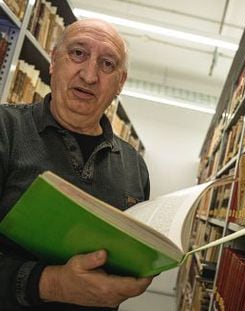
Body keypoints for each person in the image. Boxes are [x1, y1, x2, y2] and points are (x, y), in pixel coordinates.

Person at [0, 19, 154, 310]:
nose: (90, 75)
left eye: (107, 64)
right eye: (78, 54)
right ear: (53, 60)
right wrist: (51, 283)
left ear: (120, 83)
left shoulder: (135, 166)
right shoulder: (6, 129)